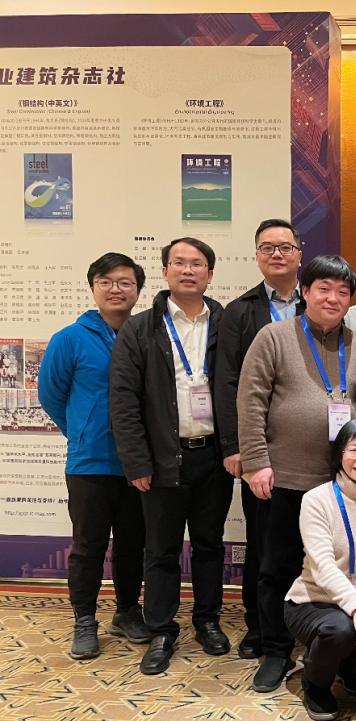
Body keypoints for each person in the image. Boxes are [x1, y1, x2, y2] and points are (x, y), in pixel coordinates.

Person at [238, 254, 356, 693]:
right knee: (275, 567)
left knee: (336, 567)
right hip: (282, 478)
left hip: (340, 487)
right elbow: (251, 401)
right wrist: (256, 461)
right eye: (324, 289)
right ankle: (275, 650)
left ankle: (328, 645)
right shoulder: (274, 337)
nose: (333, 298)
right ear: (305, 292)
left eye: (342, 291)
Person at [109, 236, 234, 675]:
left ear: (210, 274)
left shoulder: (226, 323)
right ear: (164, 271)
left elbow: (241, 388)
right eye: (178, 263)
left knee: (209, 544)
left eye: (197, 264)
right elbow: (123, 400)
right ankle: (161, 629)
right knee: (160, 550)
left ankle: (207, 620)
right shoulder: (140, 328)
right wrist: (137, 462)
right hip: (163, 458)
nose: (187, 270)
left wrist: (235, 449)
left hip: (213, 456)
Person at [39, 253, 149, 660]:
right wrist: (81, 432)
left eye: (125, 282)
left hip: (139, 464)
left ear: (138, 290)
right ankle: (84, 620)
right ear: (93, 287)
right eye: (106, 281)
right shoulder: (69, 338)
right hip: (90, 464)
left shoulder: (146, 335)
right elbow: (51, 395)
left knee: (133, 544)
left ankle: (127, 611)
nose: (115, 289)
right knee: (88, 546)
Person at [214, 217, 305, 661]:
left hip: (313, 451)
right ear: (256, 256)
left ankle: (303, 622)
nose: (277, 254)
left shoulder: (319, 302)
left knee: (310, 543)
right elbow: (228, 381)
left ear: (300, 254)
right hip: (262, 451)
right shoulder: (240, 311)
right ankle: (260, 627)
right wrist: (237, 448)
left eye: (285, 247)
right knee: (264, 545)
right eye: (268, 247)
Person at [284, 418, 356, 721]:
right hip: (314, 600)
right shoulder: (317, 500)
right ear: (339, 455)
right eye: (354, 450)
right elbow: (322, 567)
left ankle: (349, 673)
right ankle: (315, 684)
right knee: (340, 630)